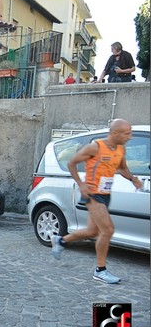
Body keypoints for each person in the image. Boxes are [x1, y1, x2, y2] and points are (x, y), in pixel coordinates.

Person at [50, 119, 143, 284]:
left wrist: (132, 179)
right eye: (127, 133)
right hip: (92, 193)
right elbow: (72, 163)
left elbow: (121, 168)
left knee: (92, 232)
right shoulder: (95, 147)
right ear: (115, 133)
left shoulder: (120, 149)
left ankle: (61, 240)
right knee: (107, 230)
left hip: (105, 194)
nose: (130, 136)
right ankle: (100, 270)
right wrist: (81, 184)